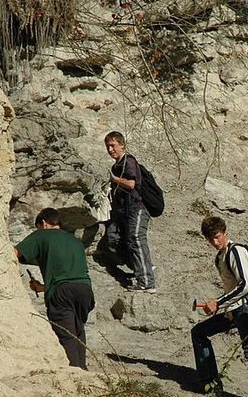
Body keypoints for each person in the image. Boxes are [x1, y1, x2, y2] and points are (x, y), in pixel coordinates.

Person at [190, 216, 248, 397]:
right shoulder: (221, 256)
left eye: (217, 237)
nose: (215, 242)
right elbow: (232, 287)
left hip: (247, 308)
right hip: (235, 309)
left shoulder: (236, 251)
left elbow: (246, 285)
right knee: (199, 332)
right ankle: (210, 383)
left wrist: (218, 303)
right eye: (211, 240)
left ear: (224, 232)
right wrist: (226, 308)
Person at [15, 208, 96, 369]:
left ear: (44, 223)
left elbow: (15, 252)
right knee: (78, 330)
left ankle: (74, 372)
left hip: (62, 293)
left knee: (66, 335)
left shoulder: (41, 235)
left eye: (38, 227)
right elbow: (70, 278)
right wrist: (42, 287)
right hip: (85, 291)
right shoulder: (74, 241)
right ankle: (83, 370)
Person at [104, 130, 156, 293]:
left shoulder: (128, 160)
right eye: (108, 146)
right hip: (123, 212)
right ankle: (142, 267)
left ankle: (146, 281)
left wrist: (114, 179)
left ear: (122, 145)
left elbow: (131, 184)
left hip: (137, 207)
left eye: (113, 145)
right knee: (113, 239)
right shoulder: (116, 165)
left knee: (136, 238)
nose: (110, 149)